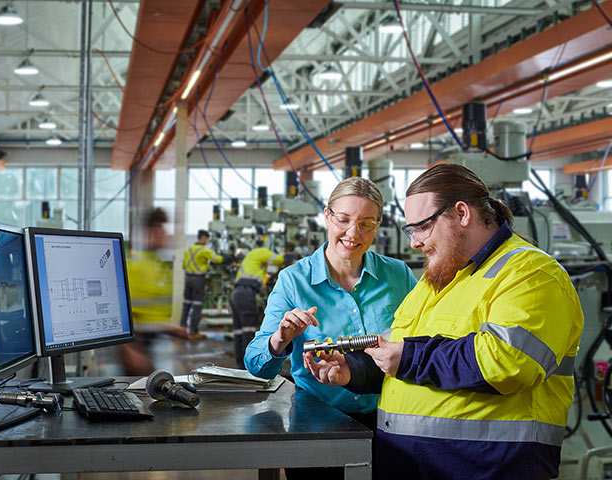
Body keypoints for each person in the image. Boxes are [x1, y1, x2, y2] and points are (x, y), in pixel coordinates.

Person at [305, 164, 583, 480]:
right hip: (413, 465)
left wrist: (408, 358)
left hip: (485, 468)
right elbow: (397, 354)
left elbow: (508, 362)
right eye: (410, 231)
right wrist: (352, 371)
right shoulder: (434, 281)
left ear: (462, 213)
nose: (414, 243)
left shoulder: (531, 274)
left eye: (422, 227)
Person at [245, 176, 417, 479]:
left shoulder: (399, 275)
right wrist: (280, 339)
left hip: (392, 423)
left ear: (378, 225)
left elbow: (423, 339)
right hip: (319, 425)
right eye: (344, 219)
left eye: (367, 223)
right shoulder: (293, 280)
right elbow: (257, 365)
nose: (353, 233)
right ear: (327, 216)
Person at [119, 207, 188, 375]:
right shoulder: (133, 265)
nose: (164, 232)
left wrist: (171, 328)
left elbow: (152, 311)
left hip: (156, 344)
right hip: (138, 347)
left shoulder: (158, 264)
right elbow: (120, 316)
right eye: (159, 227)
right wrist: (129, 351)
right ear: (147, 231)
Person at [229, 240, 289, 369]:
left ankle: (241, 365)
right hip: (246, 294)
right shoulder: (260, 252)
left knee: (239, 331)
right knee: (249, 331)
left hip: (236, 294)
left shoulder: (251, 261)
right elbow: (279, 259)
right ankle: (249, 368)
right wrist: (292, 255)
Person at [179, 229, 223, 338]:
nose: (207, 241)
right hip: (198, 279)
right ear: (203, 238)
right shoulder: (204, 251)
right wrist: (226, 257)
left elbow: (184, 266)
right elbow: (218, 259)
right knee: (197, 305)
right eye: (207, 239)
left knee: (186, 305)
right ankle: (193, 331)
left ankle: (182, 330)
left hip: (188, 278)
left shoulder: (188, 250)